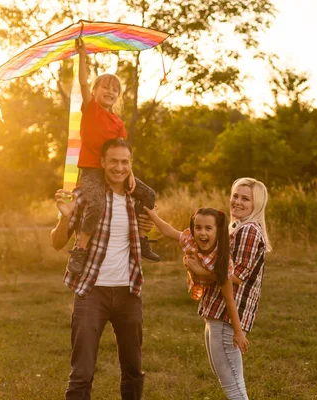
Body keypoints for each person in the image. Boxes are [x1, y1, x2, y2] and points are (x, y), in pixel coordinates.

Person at [51, 138, 155, 400]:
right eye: (113, 161)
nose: (119, 167)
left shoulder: (137, 199)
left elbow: (144, 235)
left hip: (129, 293)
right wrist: (64, 217)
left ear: (131, 165)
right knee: (82, 373)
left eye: (124, 162)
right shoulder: (86, 196)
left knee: (133, 369)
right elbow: (57, 242)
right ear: (102, 163)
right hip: (91, 293)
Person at [68, 38, 160, 276]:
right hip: (91, 170)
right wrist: (82, 56)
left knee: (148, 194)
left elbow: (123, 152)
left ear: (118, 95)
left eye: (115, 89)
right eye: (105, 87)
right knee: (97, 204)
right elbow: (82, 81)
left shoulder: (118, 122)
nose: (110, 91)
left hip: (116, 169)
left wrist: (130, 174)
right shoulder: (91, 109)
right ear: (95, 91)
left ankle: (141, 238)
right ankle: (79, 250)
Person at [185, 177, 272, 400]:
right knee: (228, 379)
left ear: (257, 204)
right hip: (216, 311)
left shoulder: (249, 231)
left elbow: (236, 277)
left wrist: (200, 270)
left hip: (227, 315)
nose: (237, 202)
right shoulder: (236, 228)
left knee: (233, 386)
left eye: (245, 198)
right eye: (235, 195)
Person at [142, 206, 249, 353]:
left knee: (229, 280)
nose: (202, 233)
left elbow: (229, 298)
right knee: (218, 276)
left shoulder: (222, 259)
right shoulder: (190, 240)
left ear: (218, 231)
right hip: (198, 280)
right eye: (198, 227)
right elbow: (167, 230)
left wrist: (238, 332)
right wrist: (153, 215)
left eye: (208, 228)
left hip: (214, 276)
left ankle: (235, 279)